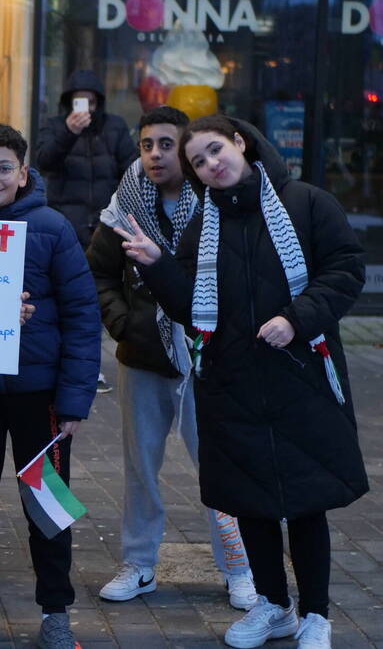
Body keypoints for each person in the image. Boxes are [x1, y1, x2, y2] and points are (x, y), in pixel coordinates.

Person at [116, 114, 368, 649]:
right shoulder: (203, 225)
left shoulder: (306, 202)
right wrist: (157, 265)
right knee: (250, 501)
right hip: (231, 383)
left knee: (306, 502)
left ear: (239, 142)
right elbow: (191, 307)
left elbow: (346, 269)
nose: (211, 165)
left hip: (300, 376)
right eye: (198, 162)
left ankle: (316, 615)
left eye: (215, 151)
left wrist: (297, 319)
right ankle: (274, 606)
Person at [86, 106, 257, 610]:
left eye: (166, 144)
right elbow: (99, 272)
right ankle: (139, 564)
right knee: (140, 467)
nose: (155, 155)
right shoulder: (125, 204)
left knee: (220, 466)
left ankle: (240, 567)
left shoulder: (215, 200)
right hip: (142, 355)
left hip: (209, 357)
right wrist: (123, 323)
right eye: (146, 145)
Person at [0, 123, 100, 649]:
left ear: (23, 172)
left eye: (4, 168)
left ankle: (56, 611)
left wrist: (74, 401)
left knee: (47, 508)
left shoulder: (53, 229)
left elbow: (83, 316)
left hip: (41, 399)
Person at [35, 70, 136, 394]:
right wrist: (68, 132)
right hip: (67, 223)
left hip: (107, 224)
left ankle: (93, 367)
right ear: (68, 102)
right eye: (79, 100)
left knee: (100, 297)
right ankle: (72, 366)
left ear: (99, 102)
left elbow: (131, 168)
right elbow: (44, 162)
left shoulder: (114, 127)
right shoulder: (55, 126)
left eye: (91, 101)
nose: (86, 107)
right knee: (71, 298)